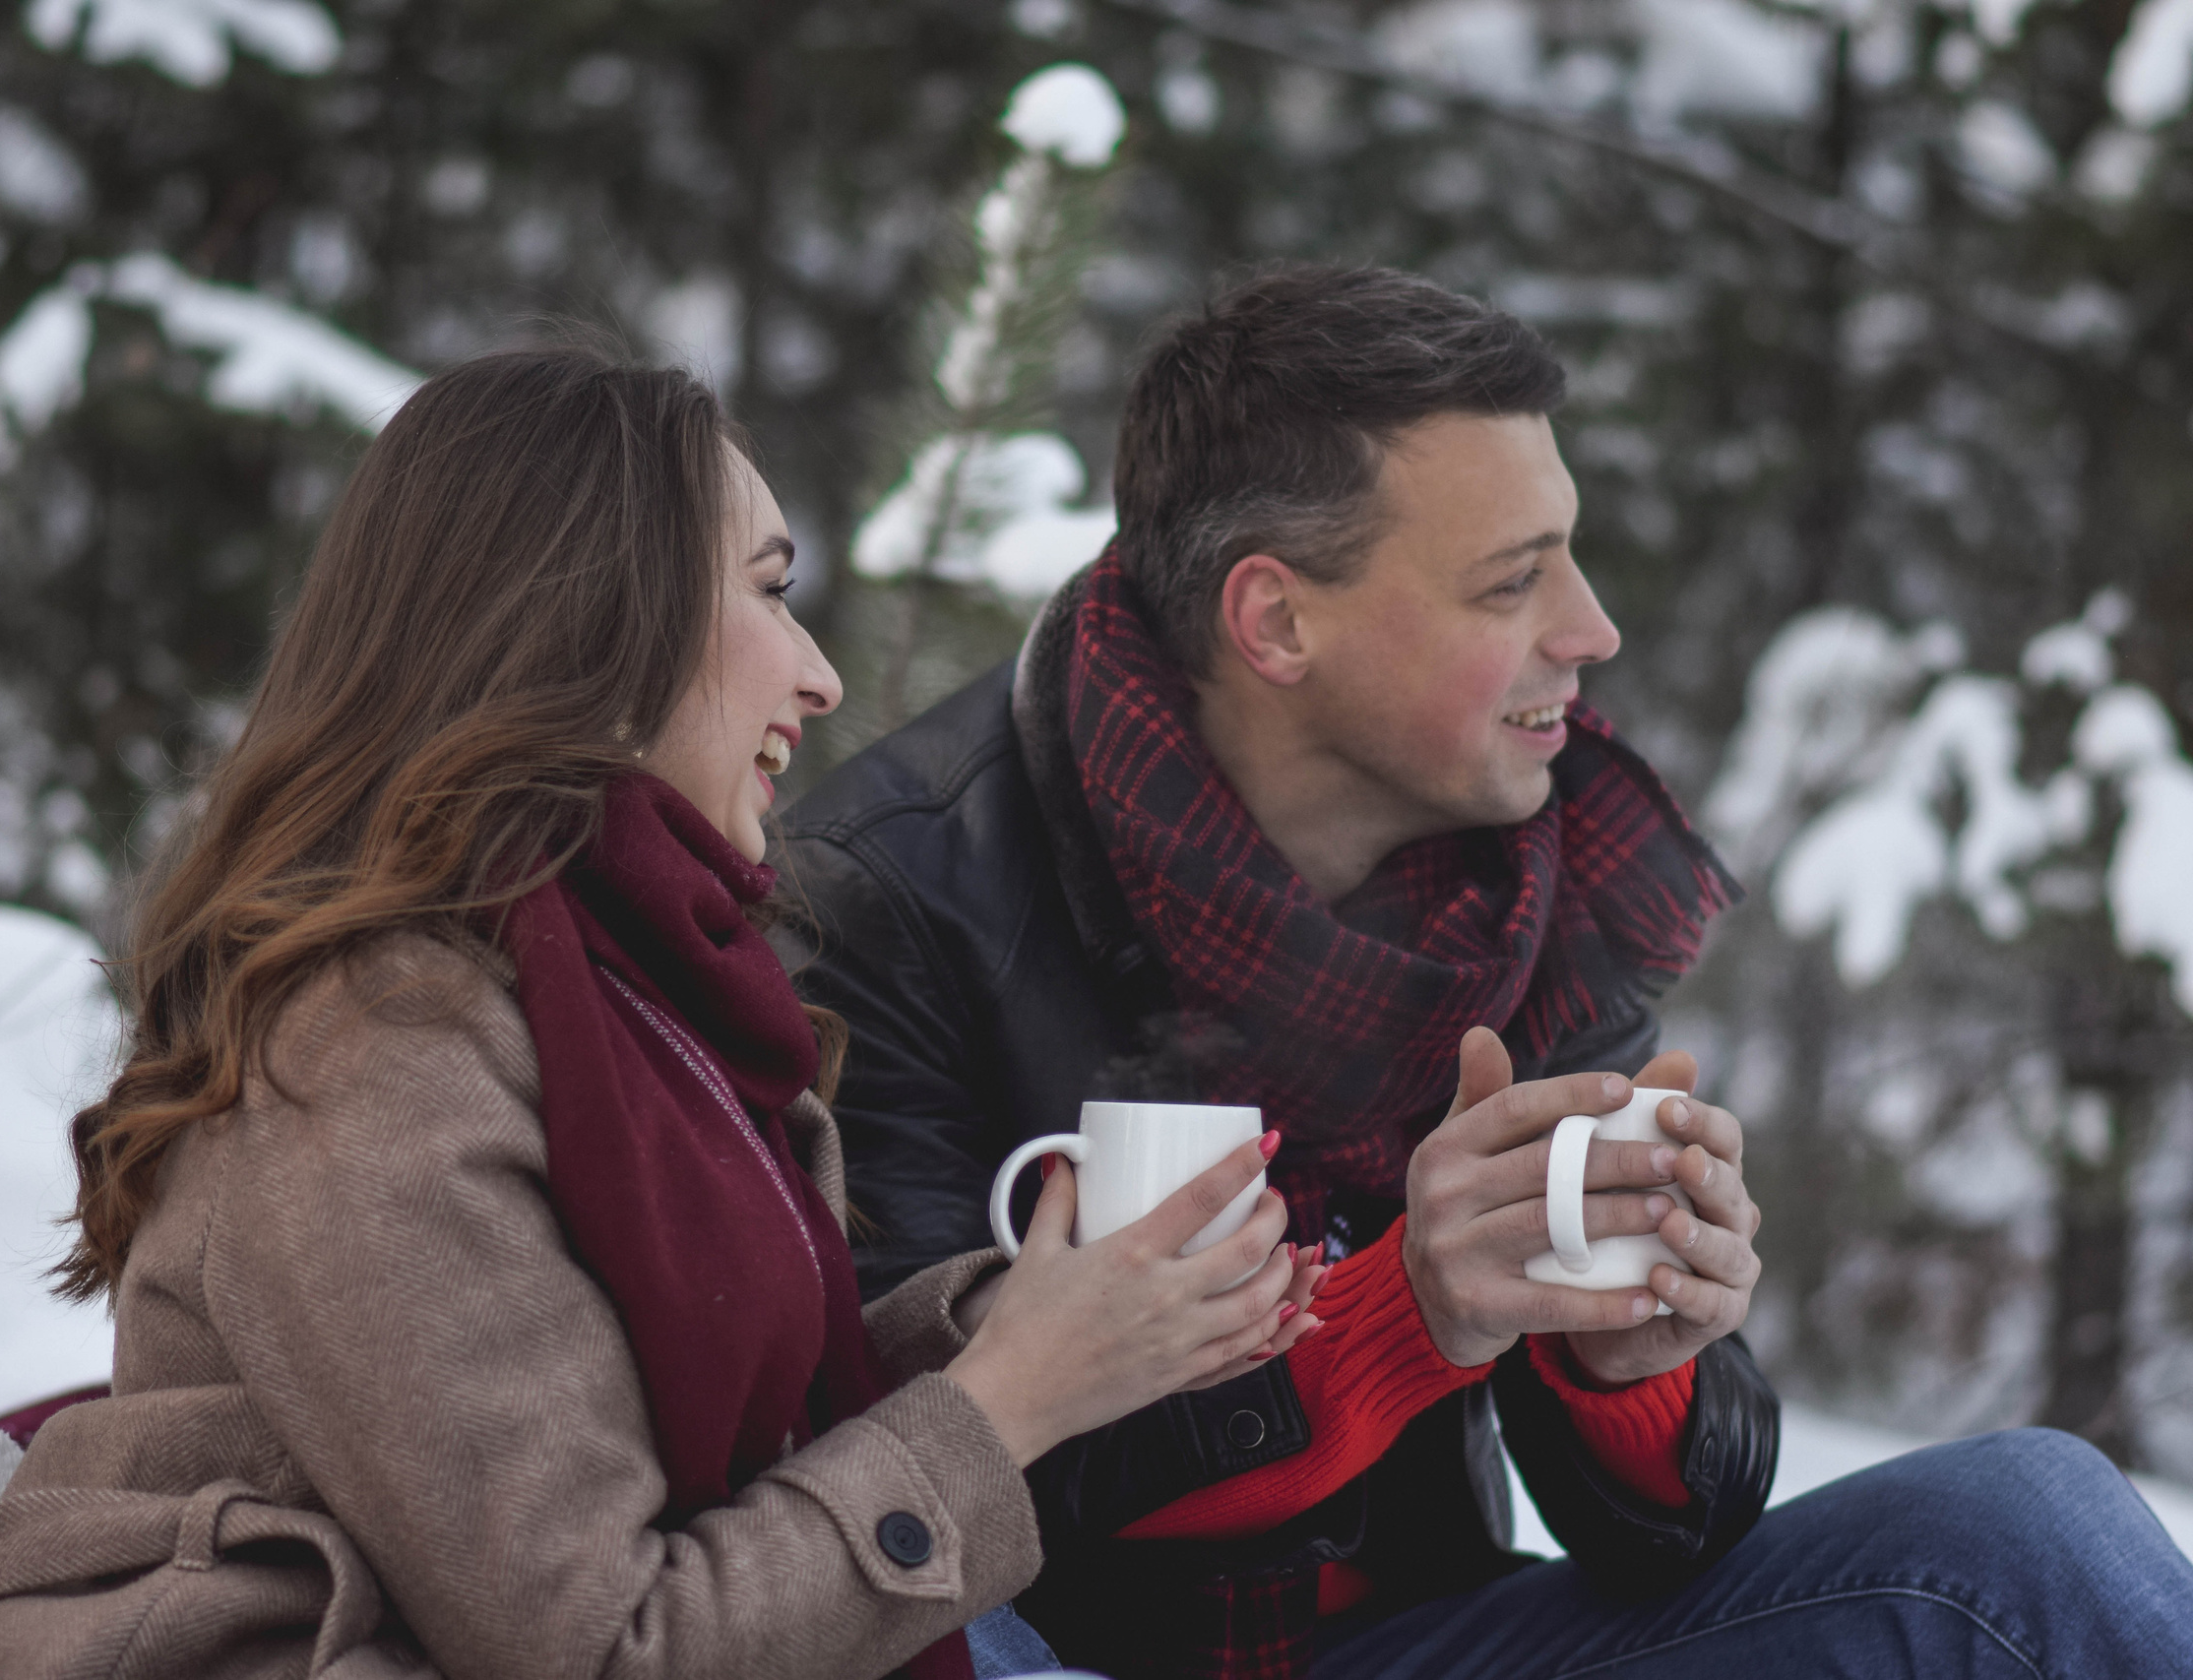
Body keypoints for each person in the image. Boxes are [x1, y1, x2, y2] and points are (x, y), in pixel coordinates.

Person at [773, 266, 2193, 1679]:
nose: (1590, 629)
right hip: (1048, 1656)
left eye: (1568, 555)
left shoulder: (1524, 869)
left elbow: (1667, 1538)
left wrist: (1635, 1350)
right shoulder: (891, 902)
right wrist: (1406, 1315)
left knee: (2031, 1530)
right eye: (1514, 580)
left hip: (1419, 1646)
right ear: (1275, 623)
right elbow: (916, 1496)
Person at [0, 344, 1313, 1680]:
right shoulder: (372, 1050)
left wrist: (1060, 1320)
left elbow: (688, 1412)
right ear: (597, 625)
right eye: (769, 592)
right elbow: (600, 1649)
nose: (820, 676)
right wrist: (1009, 1400)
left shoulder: (614, 986)